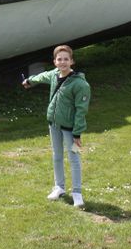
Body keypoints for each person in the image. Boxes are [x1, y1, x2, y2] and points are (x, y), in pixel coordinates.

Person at [22, 44, 91, 208]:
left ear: (72, 61)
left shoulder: (80, 85)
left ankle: (77, 193)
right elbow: (42, 76)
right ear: (55, 62)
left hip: (71, 130)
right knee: (57, 156)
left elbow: (81, 111)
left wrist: (77, 133)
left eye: (66, 59)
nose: (62, 62)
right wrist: (30, 80)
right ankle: (59, 187)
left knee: (74, 158)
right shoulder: (54, 75)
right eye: (59, 59)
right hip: (54, 125)